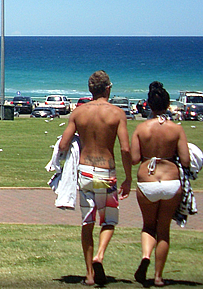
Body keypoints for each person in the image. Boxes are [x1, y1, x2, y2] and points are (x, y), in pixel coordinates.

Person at [58, 71, 131, 286]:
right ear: (108, 88)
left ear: (90, 90)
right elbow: (125, 149)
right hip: (106, 171)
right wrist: (128, 177)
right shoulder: (116, 113)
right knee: (108, 220)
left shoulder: (79, 113)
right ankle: (100, 255)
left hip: (85, 171)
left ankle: (89, 275)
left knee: (87, 222)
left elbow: (63, 144)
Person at [131, 82, 190, 287]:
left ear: (149, 105)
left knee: (148, 225)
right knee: (163, 229)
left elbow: (134, 158)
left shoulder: (141, 128)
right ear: (167, 104)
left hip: (147, 181)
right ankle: (158, 277)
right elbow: (186, 161)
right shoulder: (176, 129)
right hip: (171, 181)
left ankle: (146, 255)